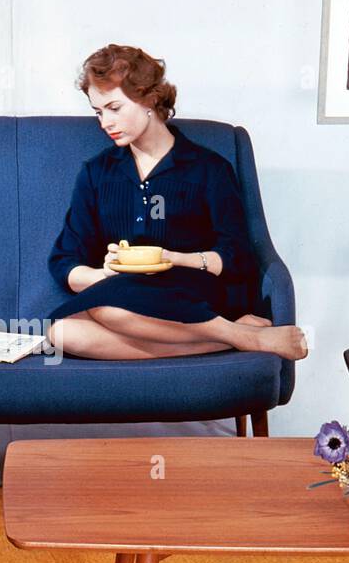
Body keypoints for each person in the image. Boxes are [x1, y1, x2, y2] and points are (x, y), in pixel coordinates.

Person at [46, 43, 309, 361]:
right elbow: (64, 260)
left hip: (192, 290)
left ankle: (225, 330)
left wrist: (173, 258)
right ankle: (239, 336)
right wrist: (106, 275)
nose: (105, 122)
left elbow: (237, 256)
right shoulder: (97, 173)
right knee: (61, 333)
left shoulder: (208, 169)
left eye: (114, 108)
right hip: (123, 290)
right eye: (98, 112)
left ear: (149, 98)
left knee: (108, 308)